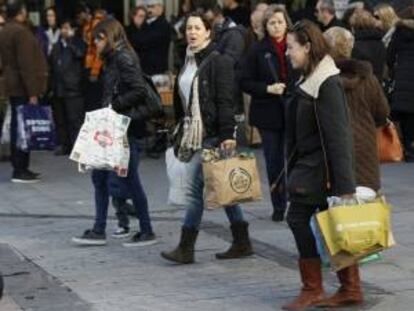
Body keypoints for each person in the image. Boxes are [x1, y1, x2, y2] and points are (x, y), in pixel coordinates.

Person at [161, 12, 253, 264]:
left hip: (212, 134)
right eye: (189, 28)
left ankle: (186, 247)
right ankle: (242, 240)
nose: (191, 32)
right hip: (192, 134)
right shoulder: (187, 60)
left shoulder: (218, 61)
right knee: (221, 186)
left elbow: (226, 100)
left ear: (208, 32)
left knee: (195, 189)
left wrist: (227, 135)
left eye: (197, 28)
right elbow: (183, 100)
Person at [282, 20, 360, 310]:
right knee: (333, 227)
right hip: (309, 166)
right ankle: (350, 287)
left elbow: (339, 137)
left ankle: (314, 288)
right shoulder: (307, 78)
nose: (288, 52)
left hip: (319, 171)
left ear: (307, 47)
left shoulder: (326, 83)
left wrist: (346, 187)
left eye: (291, 47)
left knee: (298, 219)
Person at [72, 18, 157, 247]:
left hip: (124, 129)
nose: (96, 44)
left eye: (99, 39)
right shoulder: (112, 59)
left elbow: (138, 89)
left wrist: (114, 106)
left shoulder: (123, 58)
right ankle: (99, 229)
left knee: (130, 180)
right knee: (99, 177)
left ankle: (147, 230)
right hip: (111, 128)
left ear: (110, 37)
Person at [240, 5, 294, 222]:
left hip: (293, 109)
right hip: (268, 112)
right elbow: (244, 81)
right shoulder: (256, 49)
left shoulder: (295, 45)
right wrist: (267, 89)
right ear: (265, 26)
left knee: (295, 158)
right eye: (272, 23)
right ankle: (279, 205)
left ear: (286, 23)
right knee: (273, 161)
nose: (277, 26)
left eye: (280, 22)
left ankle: (297, 203)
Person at [324, 26, 390, 193]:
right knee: (365, 206)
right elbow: (382, 113)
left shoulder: (323, 80)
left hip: (335, 149)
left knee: (338, 207)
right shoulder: (368, 78)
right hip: (365, 148)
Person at [0, 0, 48, 183]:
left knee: (17, 126)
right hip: (22, 87)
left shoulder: (5, 30)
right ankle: (20, 169)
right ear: (21, 12)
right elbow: (26, 65)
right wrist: (33, 92)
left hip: (13, 85)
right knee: (22, 128)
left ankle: (20, 167)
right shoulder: (20, 32)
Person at [50, 19, 87, 155]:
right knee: (61, 119)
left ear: (73, 29)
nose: (64, 31)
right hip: (58, 88)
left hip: (73, 88)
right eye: (62, 28)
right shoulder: (56, 46)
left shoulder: (79, 43)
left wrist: (71, 41)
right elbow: (52, 65)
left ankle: (78, 147)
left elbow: (80, 55)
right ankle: (65, 145)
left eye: (67, 28)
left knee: (75, 120)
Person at [387, 6, 414, 161]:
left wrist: (393, 70)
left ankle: (408, 148)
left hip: (403, 76)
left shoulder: (399, 31)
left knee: (405, 114)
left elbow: (389, 56)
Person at [349, 9, 387, 83]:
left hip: (362, 88)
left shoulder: (354, 46)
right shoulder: (381, 43)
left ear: (354, 27)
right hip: (379, 87)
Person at [138, 0, 172, 75]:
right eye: (147, 7)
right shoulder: (145, 23)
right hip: (144, 69)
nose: (149, 10)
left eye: (152, 7)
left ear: (161, 8)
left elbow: (143, 41)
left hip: (157, 70)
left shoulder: (164, 25)